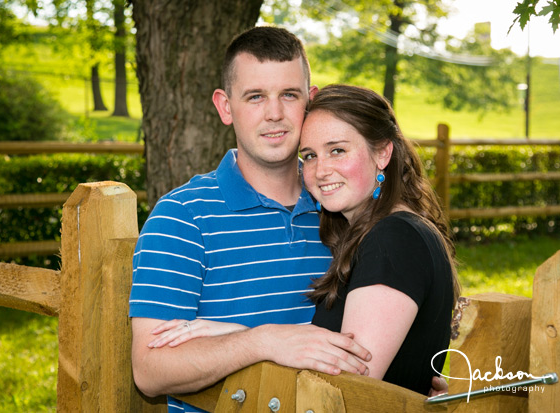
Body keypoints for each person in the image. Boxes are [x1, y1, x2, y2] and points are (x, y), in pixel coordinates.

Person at [153, 84, 459, 396]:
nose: (321, 170)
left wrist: (249, 338)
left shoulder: (394, 239)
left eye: (337, 150)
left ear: (382, 153)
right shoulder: (380, 234)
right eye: (310, 155)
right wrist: (246, 337)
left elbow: (346, 384)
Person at [129, 26, 371, 413]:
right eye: (255, 96)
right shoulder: (183, 217)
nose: (274, 114)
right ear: (225, 107)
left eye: (288, 95)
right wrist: (263, 341)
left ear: (309, 102)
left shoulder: (339, 209)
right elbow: (150, 368)